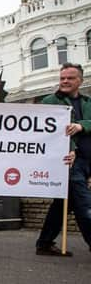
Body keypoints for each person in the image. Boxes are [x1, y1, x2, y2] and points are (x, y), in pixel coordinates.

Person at [36, 62, 89, 256]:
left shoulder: (87, 102)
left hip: (85, 162)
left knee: (63, 204)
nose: (65, 81)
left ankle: (44, 243)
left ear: (80, 81)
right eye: (62, 78)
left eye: (70, 78)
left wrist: (82, 125)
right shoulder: (51, 101)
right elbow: (48, 130)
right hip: (67, 162)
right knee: (85, 205)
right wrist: (70, 148)